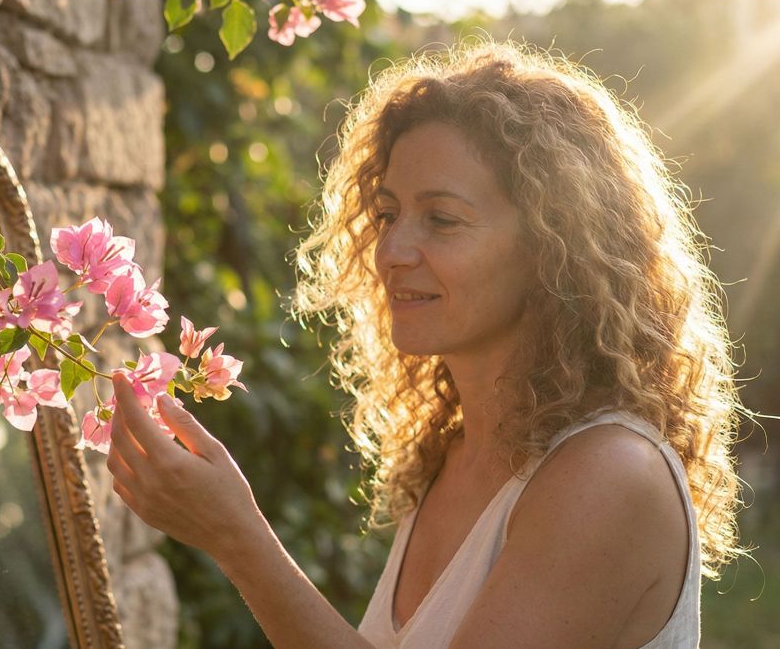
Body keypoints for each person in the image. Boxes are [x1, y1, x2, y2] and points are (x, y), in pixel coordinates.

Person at [105, 42, 744, 648]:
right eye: (387, 214)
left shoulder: (608, 473)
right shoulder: (458, 451)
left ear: (554, 250)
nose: (390, 252)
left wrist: (237, 539)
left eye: (442, 219)